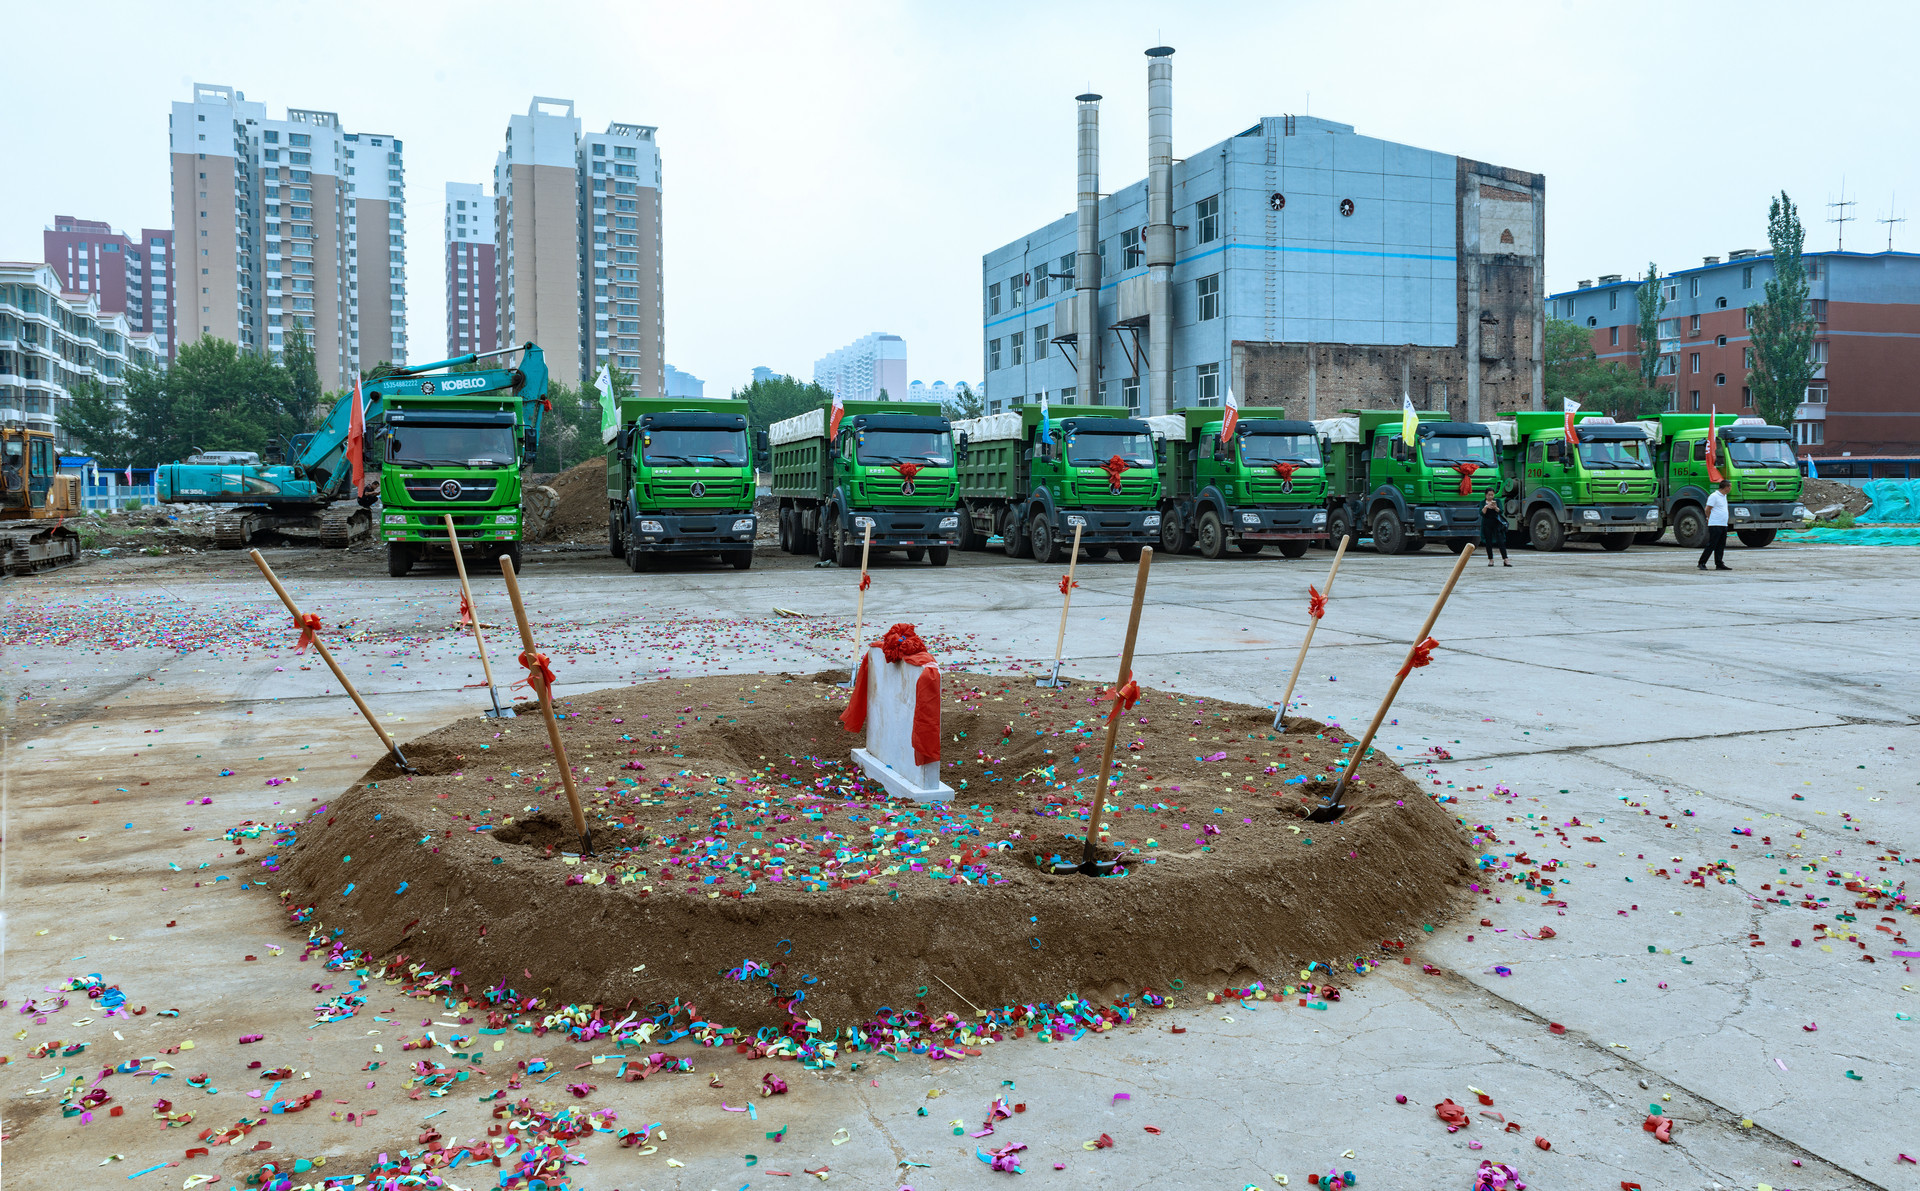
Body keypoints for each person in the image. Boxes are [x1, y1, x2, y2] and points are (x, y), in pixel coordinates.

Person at [1698, 479, 1731, 571]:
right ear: (1726, 487)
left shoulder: (1724, 496)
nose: (1730, 488)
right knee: (1712, 544)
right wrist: (1709, 518)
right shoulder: (1714, 496)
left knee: (1721, 545)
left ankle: (1719, 563)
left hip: (1723, 524)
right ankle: (1702, 562)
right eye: (1729, 487)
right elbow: (1707, 509)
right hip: (1715, 524)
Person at [1479, 493, 1510, 567]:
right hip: (1487, 524)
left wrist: (1495, 507)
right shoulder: (1482, 502)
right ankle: (1491, 560)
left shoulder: (1497, 501)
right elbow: (1481, 513)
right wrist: (1486, 507)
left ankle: (1506, 559)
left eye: (1492, 495)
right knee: (1488, 542)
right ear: (1485, 495)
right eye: (1489, 495)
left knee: (1501, 541)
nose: (1490, 496)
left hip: (1496, 524)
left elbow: (1501, 511)